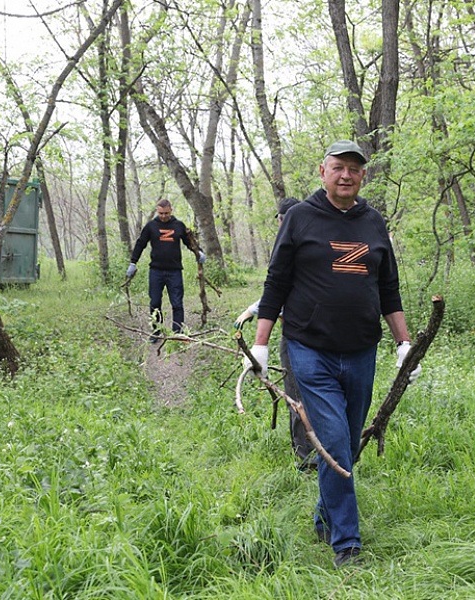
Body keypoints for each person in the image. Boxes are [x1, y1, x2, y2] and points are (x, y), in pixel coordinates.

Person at [244, 140, 420, 569]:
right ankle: (347, 543)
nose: (346, 175)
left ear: (363, 177)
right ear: (323, 172)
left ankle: (325, 519)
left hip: (361, 351)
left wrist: (404, 345)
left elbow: (388, 290)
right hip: (309, 350)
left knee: (344, 446)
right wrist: (262, 345)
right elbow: (276, 282)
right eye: (338, 168)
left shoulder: (373, 222)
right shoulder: (301, 218)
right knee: (336, 443)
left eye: (354, 170)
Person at [234, 197, 317, 470]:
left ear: (284, 219)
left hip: (301, 335)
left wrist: (252, 311)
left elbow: (279, 289)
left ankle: (310, 458)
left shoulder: (299, 242)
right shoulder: (313, 238)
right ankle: (311, 457)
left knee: (299, 396)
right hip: (304, 331)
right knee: (303, 396)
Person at [127, 199, 204, 342]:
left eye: (166, 213)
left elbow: (190, 242)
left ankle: (178, 333)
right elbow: (140, 244)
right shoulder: (151, 226)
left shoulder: (179, 226)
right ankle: (156, 331)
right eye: (161, 213)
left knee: (177, 303)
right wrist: (133, 262)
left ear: (171, 211)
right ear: (157, 211)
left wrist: (199, 252)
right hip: (156, 271)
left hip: (174, 271)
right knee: (155, 302)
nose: (163, 216)